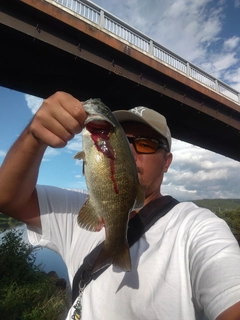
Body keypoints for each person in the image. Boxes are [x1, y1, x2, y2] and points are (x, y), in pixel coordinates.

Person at [0, 91, 240, 320]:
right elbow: (7, 198)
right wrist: (34, 138)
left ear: (167, 162)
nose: (131, 152)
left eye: (146, 144)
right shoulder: (76, 205)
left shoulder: (197, 227)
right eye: (123, 141)